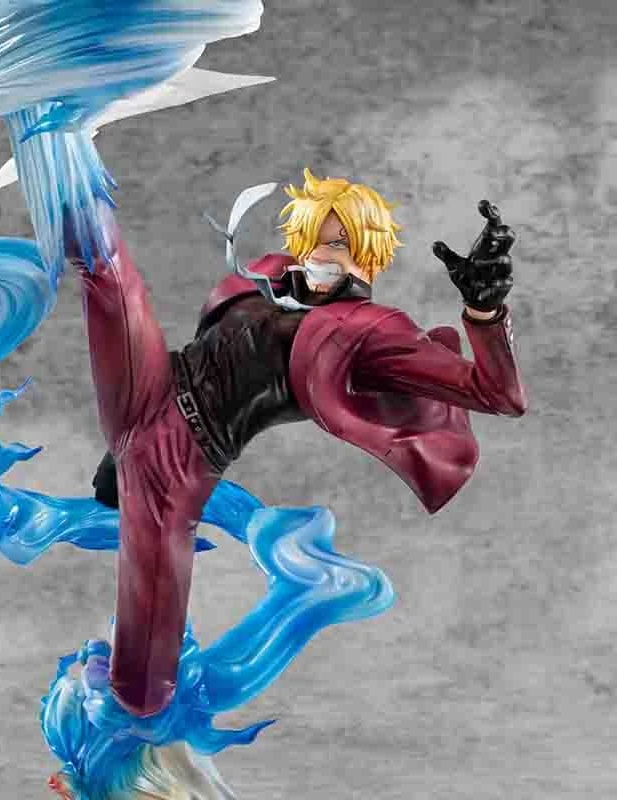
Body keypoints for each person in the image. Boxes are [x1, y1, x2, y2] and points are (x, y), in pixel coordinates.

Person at [67, 168, 527, 719]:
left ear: (370, 253)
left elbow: (498, 394)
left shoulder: (372, 331)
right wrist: (118, 455)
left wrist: (483, 312)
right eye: (313, 240)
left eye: (340, 244)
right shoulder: (270, 278)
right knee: (106, 273)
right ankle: (64, 159)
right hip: (151, 383)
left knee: (143, 682)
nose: (320, 255)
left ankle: (131, 734)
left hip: (180, 455)